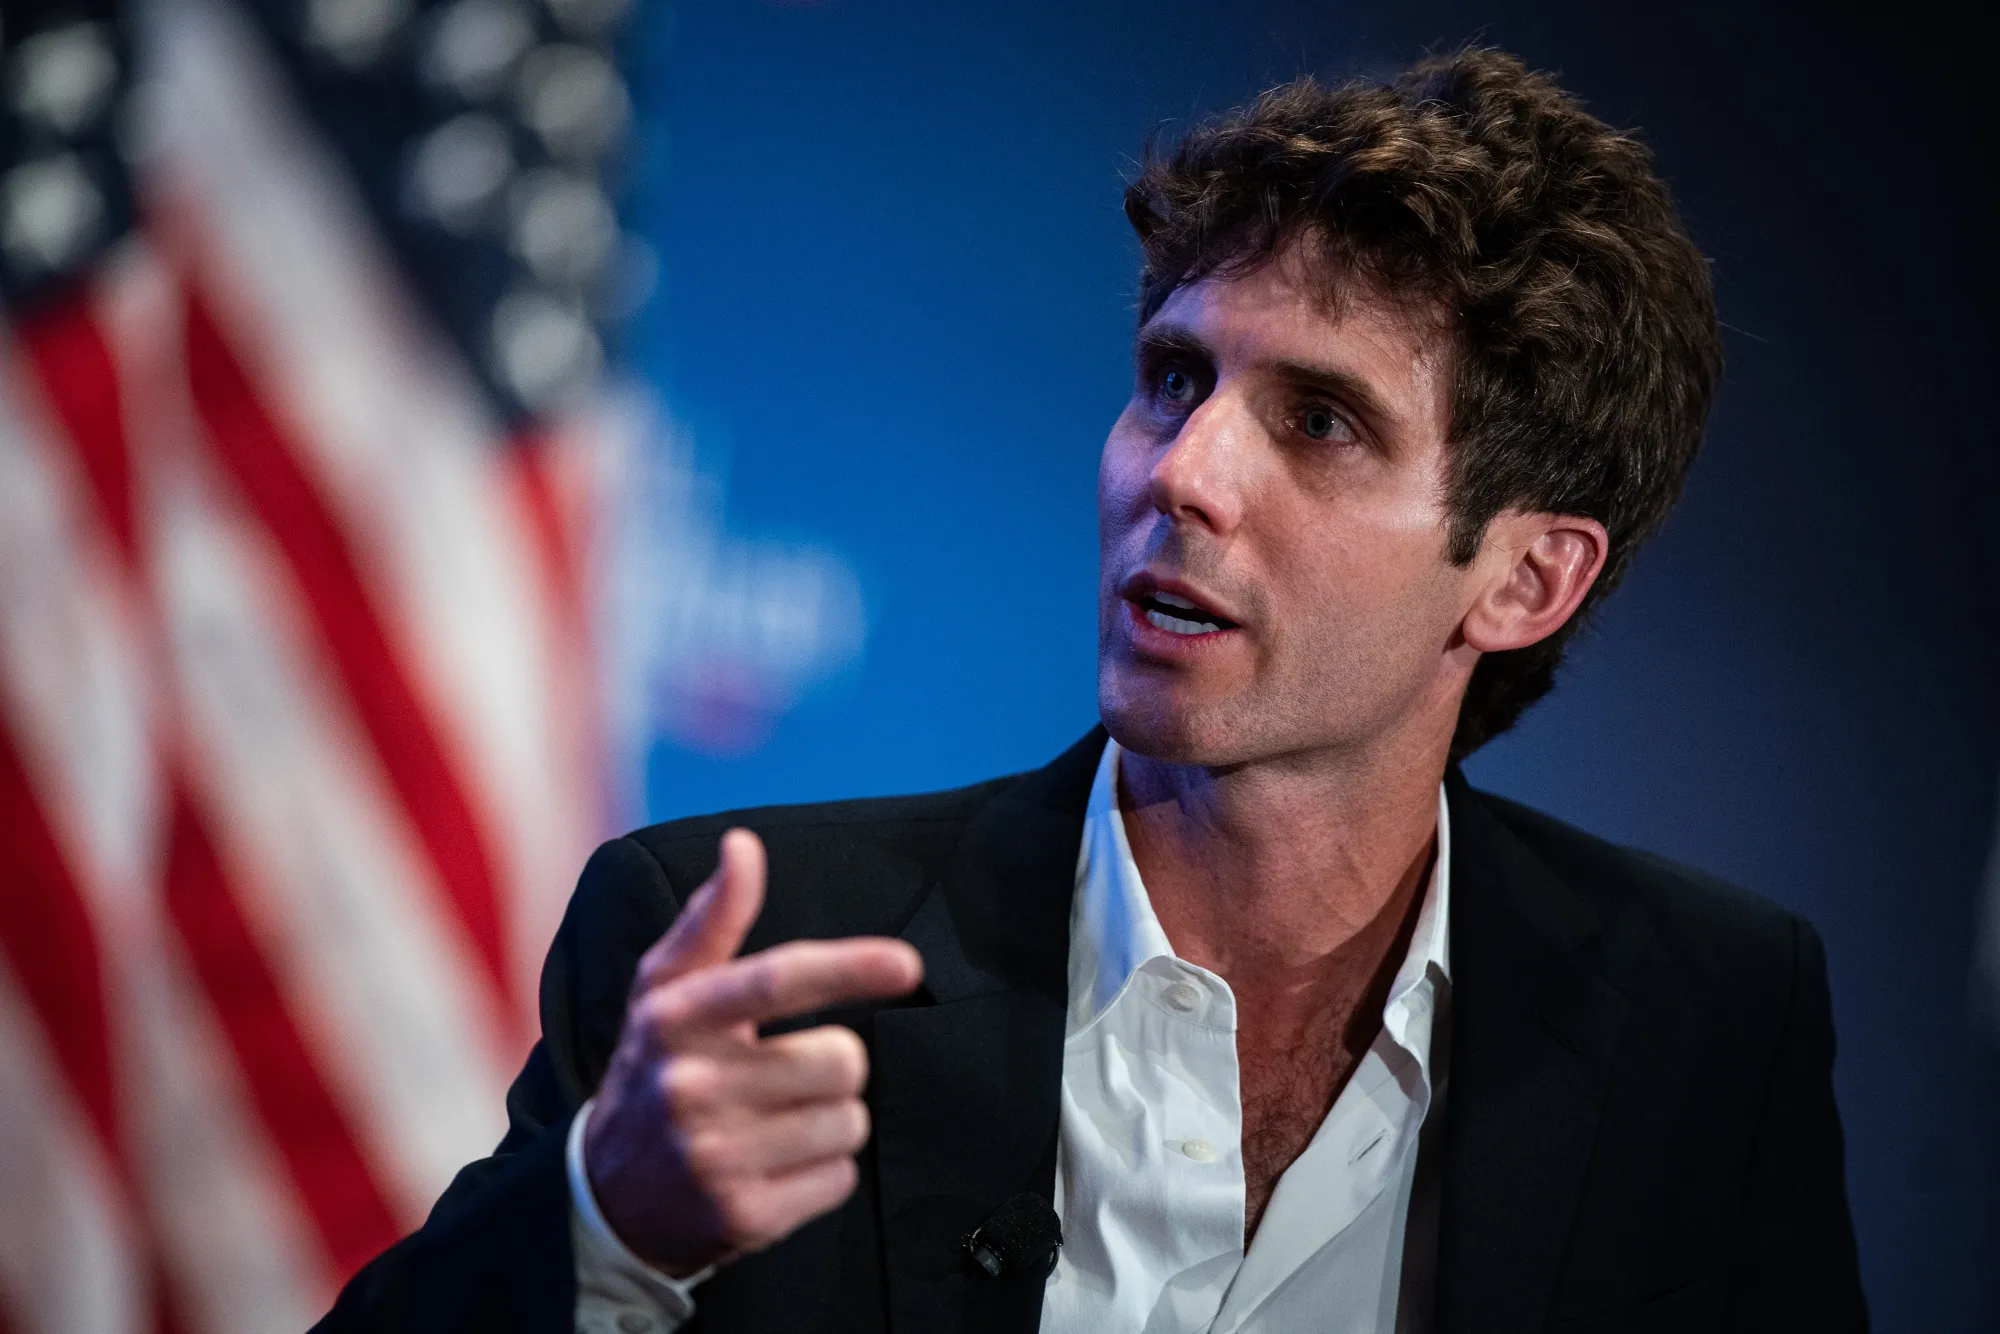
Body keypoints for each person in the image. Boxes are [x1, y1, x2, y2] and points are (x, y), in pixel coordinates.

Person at [316, 46, 1866, 1334]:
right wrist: (609, 1227)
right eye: (1176, 376)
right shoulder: (747, 944)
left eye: (1321, 422)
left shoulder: (1704, 1024)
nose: (1184, 472)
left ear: (1524, 578)